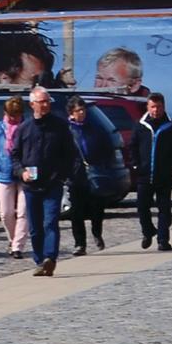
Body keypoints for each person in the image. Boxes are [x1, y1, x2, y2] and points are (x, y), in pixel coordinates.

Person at [9, 86, 75, 276]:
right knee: (35, 228)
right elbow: (14, 156)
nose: (45, 105)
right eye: (41, 102)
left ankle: (50, 258)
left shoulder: (60, 126)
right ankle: (39, 261)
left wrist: (62, 175)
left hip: (53, 183)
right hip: (31, 186)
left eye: (47, 101)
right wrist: (21, 172)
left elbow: (70, 153)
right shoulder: (24, 129)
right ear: (32, 105)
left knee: (50, 222)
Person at [130, 92, 172, 251]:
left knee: (164, 209)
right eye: (153, 107)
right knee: (142, 207)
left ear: (164, 107)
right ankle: (148, 231)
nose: (156, 110)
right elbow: (133, 146)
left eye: (159, 107)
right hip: (144, 176)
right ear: (148, 107)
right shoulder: (140, 126)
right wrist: (136, 165)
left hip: (164, 176)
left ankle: (163, 240)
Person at [0, 97, 33, 260]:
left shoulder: (27, 127)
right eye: (11, 115)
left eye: (17, 115)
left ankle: (18, 246)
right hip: (4, 173)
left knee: (24, 211)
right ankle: (13, 240)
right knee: (6, 213)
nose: (14, 118)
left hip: (25, 173)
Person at [65, 97, 114, 256]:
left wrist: (104, 164)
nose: (81, 113)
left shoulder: (95, 128)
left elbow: (108, 148)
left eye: (83, 110)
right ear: (71, 113)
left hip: (96, 172)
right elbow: (61, 153)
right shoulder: (67, 131)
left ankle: (97, 232)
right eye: (78, 111)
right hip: (76, 175)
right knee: (76, 211)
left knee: (97, 207)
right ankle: (80, 243)